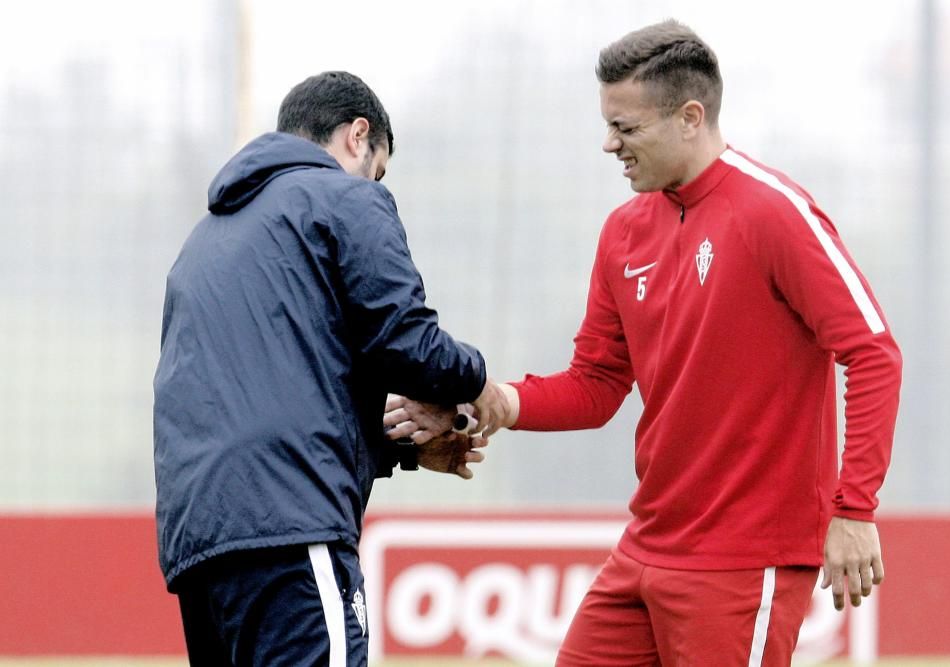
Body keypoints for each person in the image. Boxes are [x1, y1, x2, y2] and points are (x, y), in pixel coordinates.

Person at [384, 20, 903, 666]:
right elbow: (597, 384)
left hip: (745, 560)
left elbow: (874, 351)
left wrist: (854, 507)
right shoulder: (623, 231)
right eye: (608, 125)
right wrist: (487, 398)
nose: (609, 145)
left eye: (626, 128)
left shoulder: (774, 213)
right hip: (648, 546)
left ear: (690, 117)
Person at [153, 70, 509, 666]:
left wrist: (403, 448)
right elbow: (405, 339)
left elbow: (273, 387)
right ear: (358, 136)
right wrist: (479, 386)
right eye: (380, 167)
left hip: (201, 546)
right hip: (292, 530)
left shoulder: (205, 240)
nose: (377, 181)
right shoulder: (345, 196)